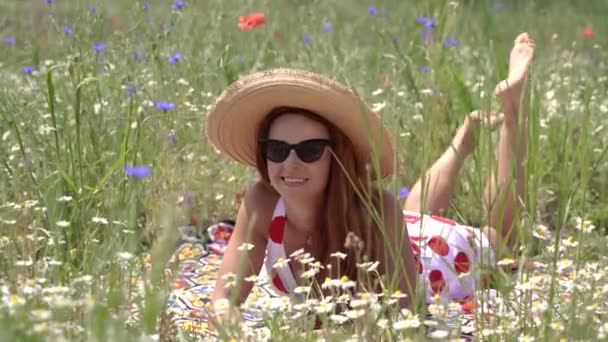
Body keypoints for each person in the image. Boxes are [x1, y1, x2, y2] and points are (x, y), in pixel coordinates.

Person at [205, 32, 535, 320]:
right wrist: (230, 324)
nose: (289, 163)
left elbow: (403, 316)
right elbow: (223, 300)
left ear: (338, 158)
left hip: (433, 259)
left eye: (309, 150)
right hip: (404, 228)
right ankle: (461, 145)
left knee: (503, 240)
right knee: (414, 214)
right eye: (277, 149)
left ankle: (512, 111)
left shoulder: (377, 210)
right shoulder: (261, 204)